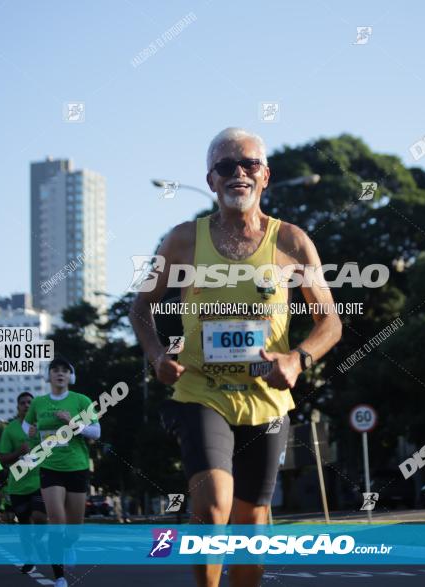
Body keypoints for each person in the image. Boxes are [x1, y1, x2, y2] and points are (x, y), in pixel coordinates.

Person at [131, 127, 342, 587]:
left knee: (252, 516)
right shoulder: (183, 241)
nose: (238, 173)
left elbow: (330, 322)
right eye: (226, 166)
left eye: (248, 164)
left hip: (266, 399)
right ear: (211, 181)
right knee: (213, 505)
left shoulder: (292, 242)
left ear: (265, 176)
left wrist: (297, 359)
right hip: (200, 391)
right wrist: (155, 356)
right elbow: (141, 309)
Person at [23, 356, 100, 587]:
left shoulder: (81, 400)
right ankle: (60, 577)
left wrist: (73, 423)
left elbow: (96, 432)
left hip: (77, 466)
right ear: (49, 376)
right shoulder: (39, 403)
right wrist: (31, 429)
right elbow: (26, 424)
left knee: (74, 527)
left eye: (64, 370)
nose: (59, 374)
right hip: (50, 466)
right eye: (55, 370)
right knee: (56, 519)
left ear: (70, 376)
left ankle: (69, 544)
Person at [0, 391, 48, 574]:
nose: (26, 405)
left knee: (41, 518)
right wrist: (18, 452)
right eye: (23, 403)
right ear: (17, 407)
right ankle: (29, 559)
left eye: (30, 402)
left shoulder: (43, 425)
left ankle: (40, 540)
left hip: (40, 481)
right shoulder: (10, 429)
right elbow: (2, 458)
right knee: (25, 524)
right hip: (18, 484)